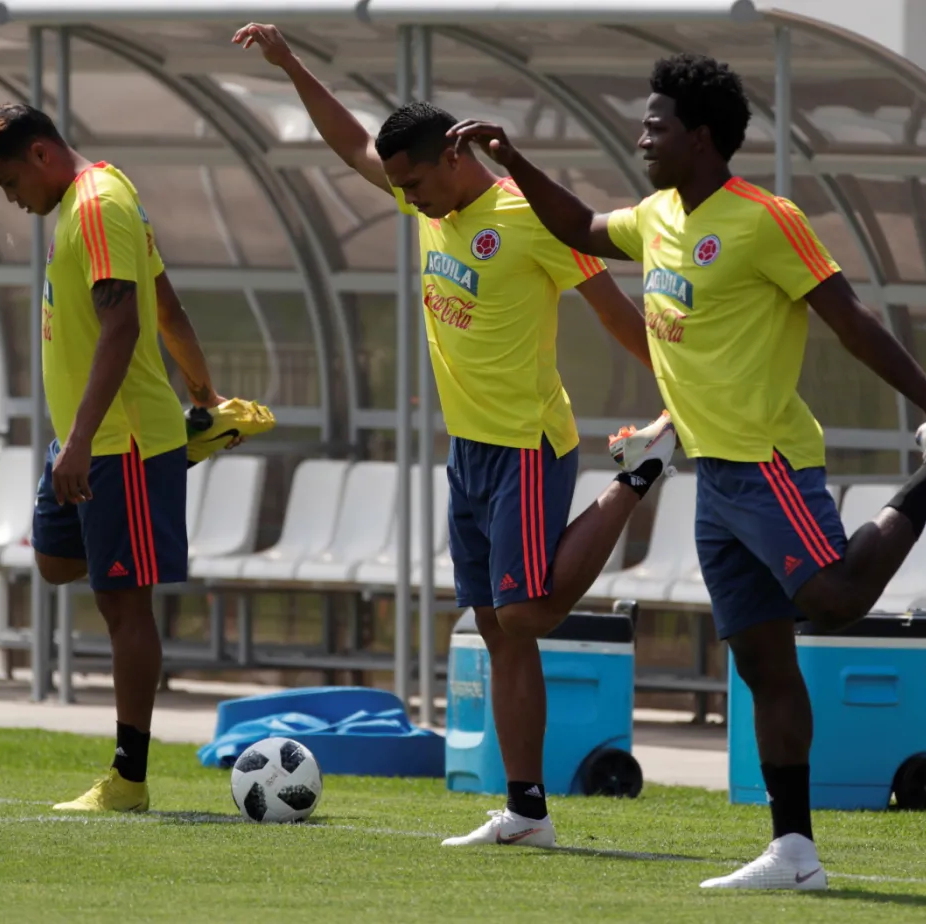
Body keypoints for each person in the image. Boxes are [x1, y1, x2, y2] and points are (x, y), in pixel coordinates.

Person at [448, 53, 926, 888]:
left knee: (832, 600)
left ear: (700, 137)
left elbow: (850, 319)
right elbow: (580, 228)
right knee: (764, 661)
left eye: (656, 124)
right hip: (713, 480)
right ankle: (794, 852)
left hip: (767, 462)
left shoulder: (766, 219)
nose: (642, 136)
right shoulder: (656, 215)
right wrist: (513, 161)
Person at [233, 22, 678, 848]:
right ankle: (528, 811)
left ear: (452, 155)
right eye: (397, 184)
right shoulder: (418, 192)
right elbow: (353, 146)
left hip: (527, 444)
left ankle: (638, 474)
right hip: (468, 450)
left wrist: (684, 392)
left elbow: (617, 313)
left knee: (529, 614)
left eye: (415, 181)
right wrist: (292, 64)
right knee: (496, 629)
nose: (406, 196)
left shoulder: (529, 217)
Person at [0, 103, 238, 812]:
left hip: (119, 442)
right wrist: (205, 396)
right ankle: (155, 488)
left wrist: (87, 439)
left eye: (8, 185)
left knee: (124, 604)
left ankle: (129, 779)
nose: (12, 202)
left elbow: (124, 324)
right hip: (88, 441)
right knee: (56, 564)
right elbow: (167, 305)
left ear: (39, 156)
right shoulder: (95, 200)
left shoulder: (96, 207)